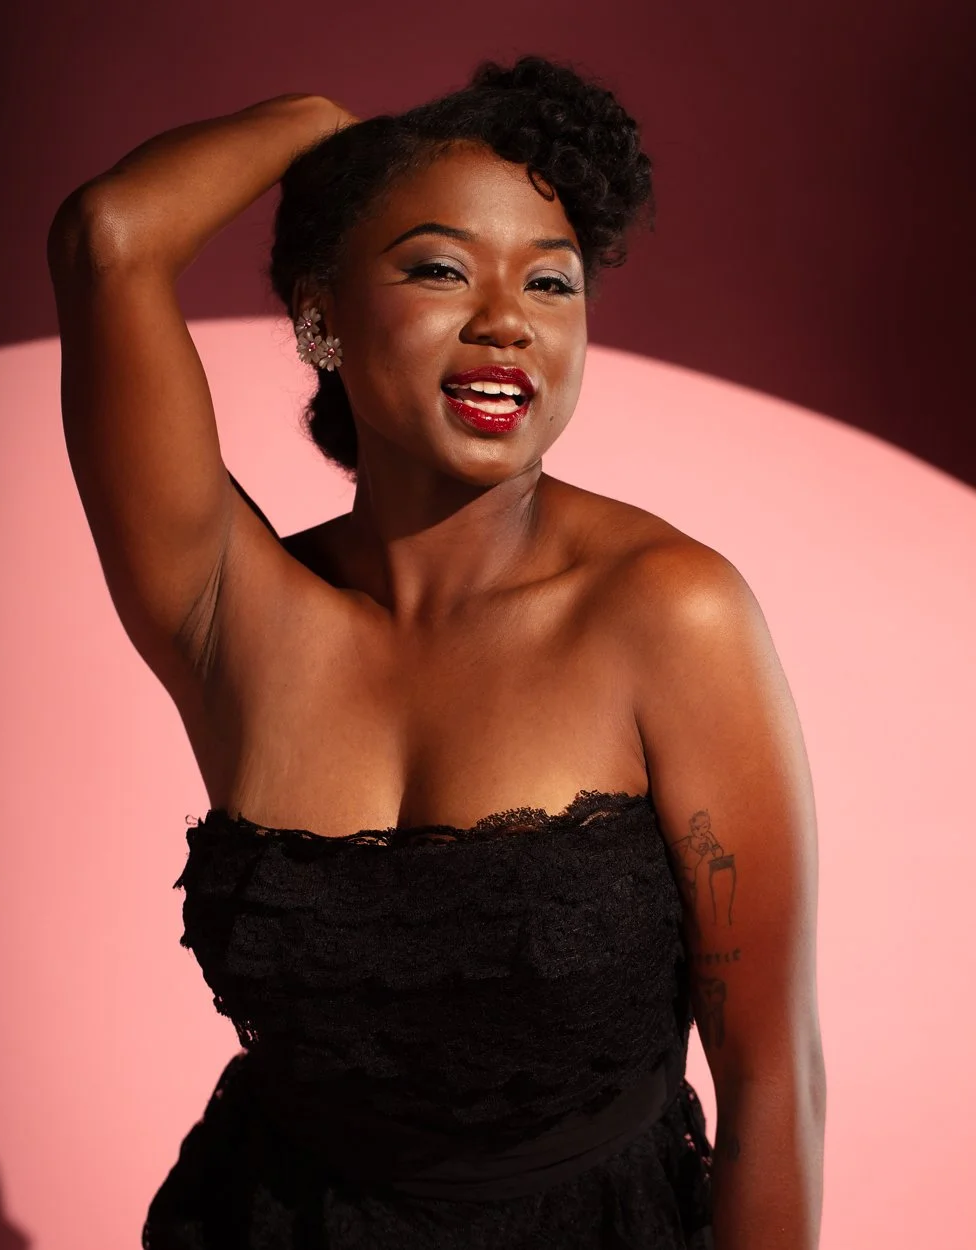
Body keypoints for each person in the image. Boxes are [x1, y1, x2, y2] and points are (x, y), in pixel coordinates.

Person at [48, 55, 825, 1250]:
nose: (507, 319)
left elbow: (771, 1069)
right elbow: (108, 237)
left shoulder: (669, 614)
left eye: (553, 283)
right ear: (321, 311)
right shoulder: (232, 605)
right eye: (439, 267)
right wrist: (316, 126)